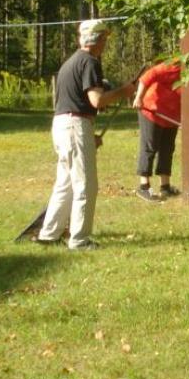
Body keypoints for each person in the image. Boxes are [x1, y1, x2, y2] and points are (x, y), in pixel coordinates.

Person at [36, 19, 136, 250]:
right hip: (75, 125)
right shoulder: (90, 62)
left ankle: (49, 233)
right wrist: (124, 91)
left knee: (65, 183)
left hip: (62, 125)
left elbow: (77, 102)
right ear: (98, 40)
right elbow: (96, 100)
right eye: (104, 39)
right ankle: (79, 240)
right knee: (85, 184)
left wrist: (88, 134)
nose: (105, 44)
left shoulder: (70, 62)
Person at [132, 59, 189, 202]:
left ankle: (165, 187)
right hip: (152, 110)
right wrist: (139, 97)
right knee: (150, 147)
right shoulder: (176, 65)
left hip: (172, 116)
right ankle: (144, 186)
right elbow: (148, 76)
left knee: (167, 149)